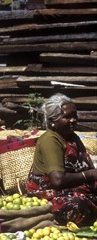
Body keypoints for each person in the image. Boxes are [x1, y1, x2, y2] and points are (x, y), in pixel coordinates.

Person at [26, 94, 97, 226]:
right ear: (53, 120)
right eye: (67, 116)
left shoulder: (72, 137)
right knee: (78, 206)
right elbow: (57, 180)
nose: (73, 120)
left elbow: (86, 167)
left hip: (72, 187)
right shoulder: (50, 140)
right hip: (49, 192)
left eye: (74, 116)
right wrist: (89, 175)